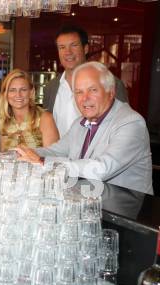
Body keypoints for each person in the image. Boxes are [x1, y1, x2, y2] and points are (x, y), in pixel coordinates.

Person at [16, 61, 152, 195]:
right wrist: (25, 154)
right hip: (88, 203)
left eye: (92, 90)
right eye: (79, 92)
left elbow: (102, 168)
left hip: (127, 212)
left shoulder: (131, 123)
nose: (84, 98)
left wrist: (43, 162)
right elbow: (57, 151)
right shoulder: (80, 122)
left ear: (110, 92)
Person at [43, 24, 128, 137]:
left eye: (74, 45)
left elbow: (123, 126)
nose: (67, 52)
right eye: (62, 47)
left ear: (86, 48)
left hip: (97, 154)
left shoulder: (111, 84)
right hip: (58, 153)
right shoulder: (51, 88)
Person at [0, 69, 59, 151]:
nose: (18, 95)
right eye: (12, 90)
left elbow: (52, 158)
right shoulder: (5, 121)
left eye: (23, 90)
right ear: (5, 94)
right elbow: (3, 156)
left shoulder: (45, 118)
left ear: (31, 92)